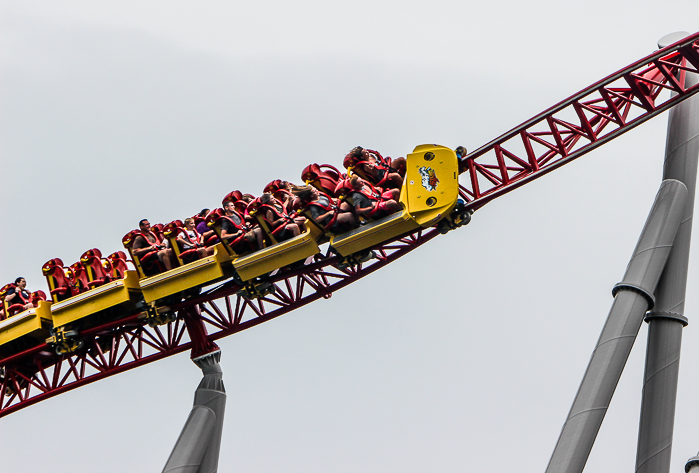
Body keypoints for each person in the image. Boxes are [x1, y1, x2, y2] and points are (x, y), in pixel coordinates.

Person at [292, 185, 357, 233]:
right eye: (314, 191)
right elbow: (316, 220)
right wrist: (328, 214)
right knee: (349, 215)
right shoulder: (313, 206)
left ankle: (361, 218)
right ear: (311, 195)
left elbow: (329, 200)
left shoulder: (320, 196)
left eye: (315, 189)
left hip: (335, 211)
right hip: (331, 220)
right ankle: (356, 227)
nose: (317, 191)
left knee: (349, 203)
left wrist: (335, 200)